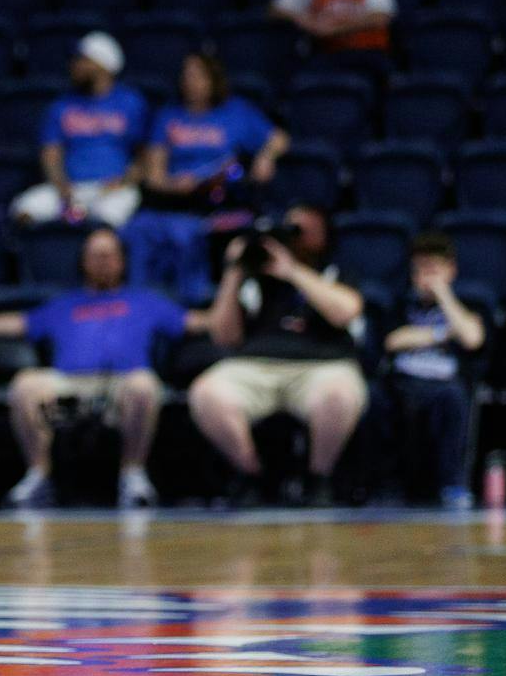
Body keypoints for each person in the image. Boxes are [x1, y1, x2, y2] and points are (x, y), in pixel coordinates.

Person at [0, 226, 206, 509]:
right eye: (95, 256)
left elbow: (197, 323)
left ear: (122, 261)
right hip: (69, 384)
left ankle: (132, 475)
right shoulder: (64, 305)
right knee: (26, 384)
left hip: (122, 384)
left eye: (109, 255)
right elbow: (16, 323)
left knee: (144, 384)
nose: (103, 261)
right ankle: (39, 476)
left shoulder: (145, 301)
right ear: (83, 262)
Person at [188, 205, 368, 505]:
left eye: (305, 230)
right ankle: (250, 475)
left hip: (322, 367)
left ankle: (318, 479)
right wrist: (234, 272)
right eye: (290, 229)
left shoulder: (336, 273)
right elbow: (223, 335)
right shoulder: (256, 280)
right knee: (207, 393)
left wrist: (293, 271)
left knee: (340, 395)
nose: (296, 237)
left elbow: (345, 312)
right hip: (255, 366)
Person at [132, 52, 289, 303]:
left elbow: (279, 139)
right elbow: (153, 176)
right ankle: (139, 304)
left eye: (197, 75)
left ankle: (197, 304)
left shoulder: (236, 112)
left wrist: (265, 156)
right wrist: (174, 186)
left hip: (220, 200)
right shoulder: (168, 116)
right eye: (186, 75)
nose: (190, 81)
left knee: (189, 235)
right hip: (175, 201)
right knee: (138, 231)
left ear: (213, 78)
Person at [380, 231, 487, 510]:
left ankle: (453, 485)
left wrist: (443, 294)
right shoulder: (401, 303)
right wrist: (441, 333)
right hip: (403, 381)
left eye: (433, 269)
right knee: (376, 397)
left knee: (453, 398)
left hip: (444, 382)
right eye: (419, 270)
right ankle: (385, 484)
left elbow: (471, 337)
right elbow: (393, 341)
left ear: (451, 270)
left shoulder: (469, 304)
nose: (425, 278)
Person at [22, 31, 146, 228]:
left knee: (108, 216)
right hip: (69, 189)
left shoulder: (130, 103)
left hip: (113, 190)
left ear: (103, 65)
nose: (75, 65)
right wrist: (62, 187)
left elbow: (144, 155)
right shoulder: (62, 106)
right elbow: (51, 154)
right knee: (25, 209)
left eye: (83, 60)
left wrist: (125, 181)